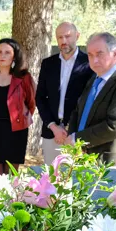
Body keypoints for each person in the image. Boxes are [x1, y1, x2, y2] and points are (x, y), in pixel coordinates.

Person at [54, 32, 116, 166]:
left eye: (100, 54)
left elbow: (113, 126)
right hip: (82, 157)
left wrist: (77, 139)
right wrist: (73, 142)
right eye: (90, 55)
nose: (94, 60)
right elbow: (78, 112)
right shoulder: (94, 79)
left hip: (108, 163)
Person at [36, 22, 93, 166]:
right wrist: (54, 127)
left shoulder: (89, 64)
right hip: (51, 133)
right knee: (52, 181)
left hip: (77, 134)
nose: (63, 41)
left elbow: (90, 100)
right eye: (60, 37)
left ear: (77, 36)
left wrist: (69, 129)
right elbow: (40, 98)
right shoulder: (48, 64)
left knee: (74, 182)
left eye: (68, 36)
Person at [0, 38, 36, 179]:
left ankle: (11, 202)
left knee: (10, 175)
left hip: (15, 131)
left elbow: (31, 103)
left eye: (7, 52)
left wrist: (21, 118)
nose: (2, 56)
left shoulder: (24, 78)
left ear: (14, 56)